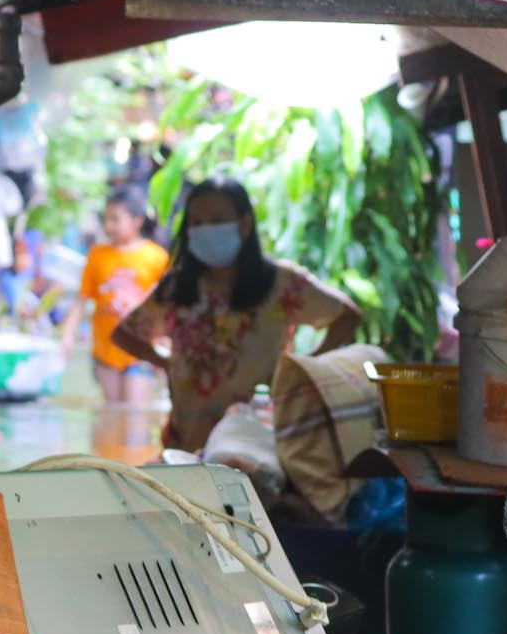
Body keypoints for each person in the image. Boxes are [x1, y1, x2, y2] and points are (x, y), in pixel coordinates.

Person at [111, 174, 361, 452]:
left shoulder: (282, 284)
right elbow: (123, 334)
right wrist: (165, 362)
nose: (205, 229)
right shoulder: (177, 287)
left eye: (217, 221)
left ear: (244, 224)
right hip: (187, 441)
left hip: (259, 444)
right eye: (196, 222)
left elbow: (347, 316)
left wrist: (303, 370)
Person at [60, 186, 169, 405]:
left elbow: (167, 303)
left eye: (116, 219)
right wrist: (68, 334)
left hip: (142, 349)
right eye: (106, 219)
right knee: (113, 410)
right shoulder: (97, 255)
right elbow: (82, 298)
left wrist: (167, 341)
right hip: (105, 349)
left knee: (135, 415)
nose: (109, 225)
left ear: (137, 221)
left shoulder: (155, 257)